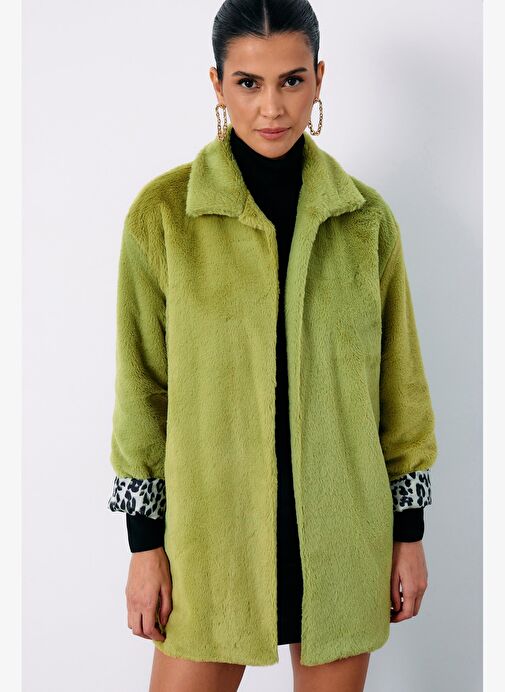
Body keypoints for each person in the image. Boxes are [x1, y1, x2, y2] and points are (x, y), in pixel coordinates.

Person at [106, 1, 437, 690]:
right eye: (248, 83)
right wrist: (144, 547)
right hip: (211, 542)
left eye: (291, 80)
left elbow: (400, 390)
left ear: (319, 79)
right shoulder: (165, 217)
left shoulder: (364, 221)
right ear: (217, 84)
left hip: (342, 538)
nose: (272, 107)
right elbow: (142, 395)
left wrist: (409, 535)